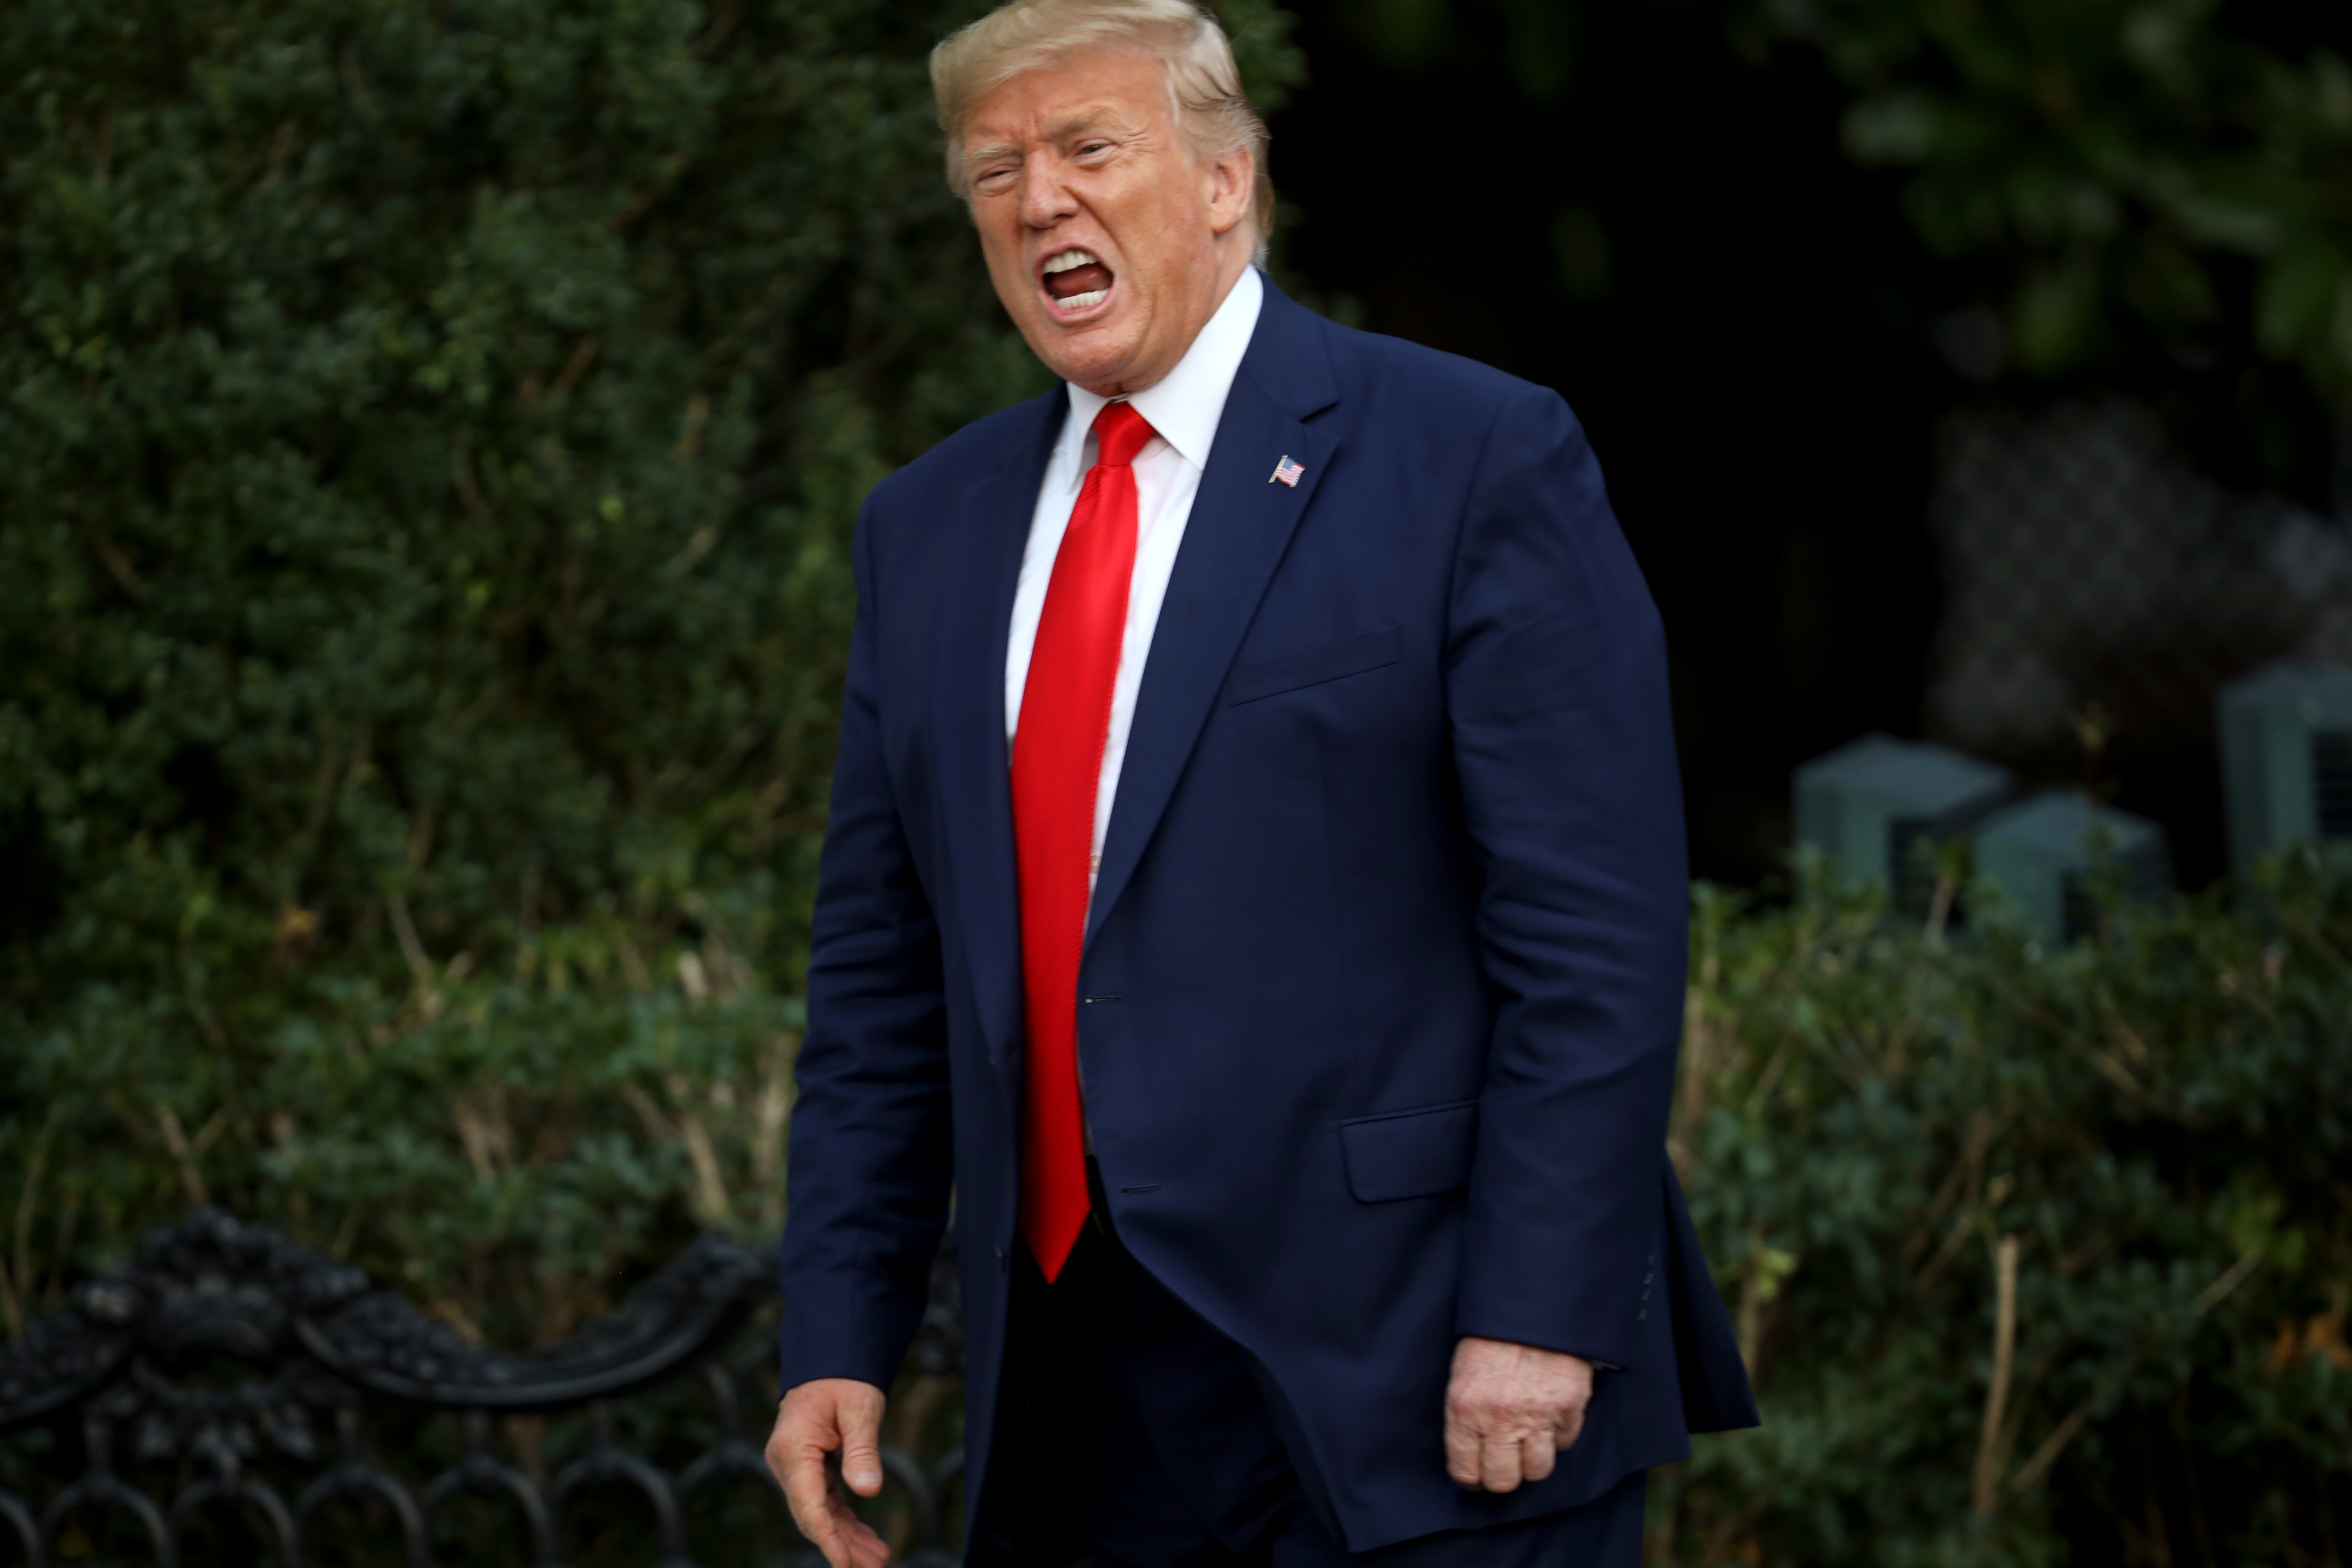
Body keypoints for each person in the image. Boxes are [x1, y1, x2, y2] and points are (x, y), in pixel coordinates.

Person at [763, 2, 1758, 1563]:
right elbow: (880, 982)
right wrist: (836, 1330)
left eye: (1090, 148)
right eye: (995, 171)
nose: (1038, 202)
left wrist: (1539, 1315)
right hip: (1081, 1403)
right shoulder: (929, 527)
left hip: (1427, 1382)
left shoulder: (1474, 455)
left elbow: (1594, 937)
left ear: (1230, 180)